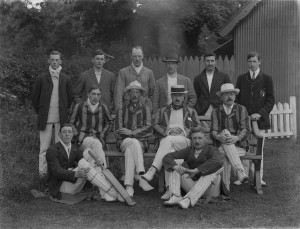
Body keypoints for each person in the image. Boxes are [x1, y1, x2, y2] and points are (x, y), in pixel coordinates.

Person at [142, 85, 200, 190]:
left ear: (184, 97)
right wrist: (168, 131)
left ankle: (153, 169)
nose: (177, 98)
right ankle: (170, 190)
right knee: (171, 157)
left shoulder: (191, 111)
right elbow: (155, 125)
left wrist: (185, 131)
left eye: (180, 95)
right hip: (168, 142)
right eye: (175, 95)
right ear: (171, 97)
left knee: (168, 140)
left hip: (185, 141)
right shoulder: (163, 110)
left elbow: (198, 127)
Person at [46, 123, 123, 202]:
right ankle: (111, 192)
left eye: (69, 132)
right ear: (59, 134)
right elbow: (57, 171)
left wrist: (98, 161)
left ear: (73, 134)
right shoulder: (52, 150)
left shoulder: (74, 148)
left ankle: (106, 192)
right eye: (64, 132)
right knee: (84, 164)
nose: (67, 134)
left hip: (73, 185)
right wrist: (76, 174)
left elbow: (85, 160)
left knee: (90, 157)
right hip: (60, 187)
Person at [235, 51, 275, 186]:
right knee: (243, 147)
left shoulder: (267, 79)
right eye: (250, 61)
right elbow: (237, 100)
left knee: (259, 148)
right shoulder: (241, 78)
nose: (252, 64)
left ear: (260, 62)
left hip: (260, 121)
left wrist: (261, 113)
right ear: (247, 63)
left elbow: (271, 100)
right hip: (244, 120)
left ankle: (259, 176)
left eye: (254, 61)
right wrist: (242, 115)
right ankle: (243, 174)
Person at [31, 51, 73, 177]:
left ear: (60, 61)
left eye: (57, 60)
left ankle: (60, 175)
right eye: (52, 60)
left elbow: (70, 98)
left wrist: (64, 111)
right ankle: (42, 174)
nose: (54, 62)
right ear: (49, 61)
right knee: (44, 148)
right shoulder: (41, 78)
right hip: (46, 119)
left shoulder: (66, 78)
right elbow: (34, 98)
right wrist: (42, 112)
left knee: (60, 148)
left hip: (61, 118)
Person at [162, 126, 224, 208]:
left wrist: (196, 170)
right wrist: (176, 167)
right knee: (175, 164)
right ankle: (176, 195)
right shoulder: (189, 150)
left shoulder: (211, 150)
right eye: (194, 138)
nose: (197, 141)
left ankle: (189, 198)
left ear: (205, 137)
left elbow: (218, 160)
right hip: (193, 185)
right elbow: (167, 157)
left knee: (214, 169)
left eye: (200, 138)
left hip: (210, 188)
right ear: (191, 139)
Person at [115, 81, 154, 197]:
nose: (135, 94)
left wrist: (132, 133)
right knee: (132, 142)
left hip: (141, 143)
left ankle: (129, 186)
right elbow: (118, 130)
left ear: (141, 94)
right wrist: (131, 134)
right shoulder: (122, 109)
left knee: (130, 149)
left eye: (137, 92)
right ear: (128, 94)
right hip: (123, 141)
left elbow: (149, 128)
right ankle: (141, 176)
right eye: (132, 92)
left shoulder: (145, 109)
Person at [211, 83, 250, 191]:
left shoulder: (242, 109)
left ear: (235, 96)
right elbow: (213, 131)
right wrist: (219, 137)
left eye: (232, 94)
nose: (230, 97)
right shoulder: (216, 112)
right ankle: (239, 172)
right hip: (221, 145)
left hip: (239, 145)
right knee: (225, 132)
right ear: (221, 97)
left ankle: (225, 188)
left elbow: (246, 129)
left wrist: (236, 138)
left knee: (225, 154)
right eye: (226, 94)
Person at [69, 85, 112, 168]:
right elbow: (71, 123)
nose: (96, 97)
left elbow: (109, 122)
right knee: (94, 143)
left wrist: (103, 134)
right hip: (83, 140)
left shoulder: (103, 107)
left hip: (98, 138)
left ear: (101, 96)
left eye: (98, 94)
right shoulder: (79, 106)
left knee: (93, 155)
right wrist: (77, 135)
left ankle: (96, 175)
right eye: (93, 94)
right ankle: (104, 168)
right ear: (88, 95)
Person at [114, 46, 156, 112]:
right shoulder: (123, 72)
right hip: (127, 110)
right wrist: (119, 111)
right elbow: (118, 94)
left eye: (139, 56)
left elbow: (153, 93)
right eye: (134, 56)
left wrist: (150, 108)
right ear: (131, 57)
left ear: (143, 56)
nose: (137, 59)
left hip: (144, 109)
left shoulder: (149, 72)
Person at [193, 52, 231, 117]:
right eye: (207, 61)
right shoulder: (198, 78)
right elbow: (196, 95)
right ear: (204, 62)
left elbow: (228, 94)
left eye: (212, 61)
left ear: (216, 62)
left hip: (220, 110)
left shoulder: (224, 77)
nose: (210, 63)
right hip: (202, 110)